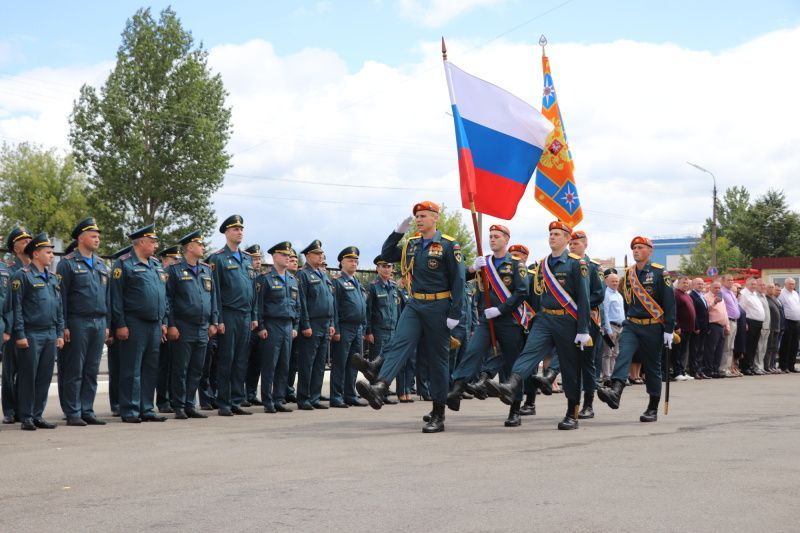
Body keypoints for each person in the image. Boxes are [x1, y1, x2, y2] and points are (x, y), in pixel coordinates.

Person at [355, 201, 465, 433]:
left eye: (424, 215)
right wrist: (398, 233)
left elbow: (459, 280)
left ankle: (438, 413)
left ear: (435, 218)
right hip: (415, 304)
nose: (419, 220)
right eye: (417, 216)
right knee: (399, 342)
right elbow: (386, 254)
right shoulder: (412, 244)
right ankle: (380, 387)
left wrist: (455, 312)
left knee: (438, 361)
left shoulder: (448, 245)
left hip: (439, 305)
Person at [484, 220, 590, 430]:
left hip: (568, 320)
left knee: (569, 368)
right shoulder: (542, 264)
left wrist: (583, 329)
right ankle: (511, 384)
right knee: (529, 353)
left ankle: (572, 413)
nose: (552, 237)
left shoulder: (577, 264)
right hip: (545, 318)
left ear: (567, 239)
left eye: (557, 234)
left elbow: (584, 298)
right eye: (551, 234)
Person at [447, 224, 530, 427]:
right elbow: (459, 277)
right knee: (473, 351)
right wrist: (472, 268)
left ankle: (515, 409)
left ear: (506, 239)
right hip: (487, 320)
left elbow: (522, 291)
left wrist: (501, 309)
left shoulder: (516, 263)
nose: (492, 239)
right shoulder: (484, 262)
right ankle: (456, 390)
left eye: (496, 236)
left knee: (511, 364)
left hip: (509, 320)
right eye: (490, 236)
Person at [596, 236, 675, 423]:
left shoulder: (660, 273)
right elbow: (626, 300)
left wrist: (669, 329)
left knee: (652, 367)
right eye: (634, 248)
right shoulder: (629, 274)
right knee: (623, 354)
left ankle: (652, 407)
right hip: (632, 324)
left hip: (653, 325)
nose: (636, 251)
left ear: (650, 251)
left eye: (640, 247)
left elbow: (670, 303)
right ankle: (616, 391)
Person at [110, 224, 168, 423]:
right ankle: (130, 410)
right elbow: (116, 297)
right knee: (131, 369)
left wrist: (163, 321)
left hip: (154, 324)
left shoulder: (156, 264)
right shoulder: (124, 264)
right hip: (134, 323)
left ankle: (146, 408)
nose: (156, 245)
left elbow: (163, 295)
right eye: (152, 241)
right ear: (141, 242)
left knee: (150, 368)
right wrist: (120, 324)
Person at [56, 217, 110, 426]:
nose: (97, 239)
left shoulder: (101, 264)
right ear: (81, 238)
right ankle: (73, 411)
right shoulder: (67, 263)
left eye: (98, 236)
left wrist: (107, 324)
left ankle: (87, 409)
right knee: (74, 369)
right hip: (77, 321)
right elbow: (61, 297)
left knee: (91, 369)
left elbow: (107, 297)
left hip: (99, 321)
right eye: (93, 236)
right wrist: (64, 325)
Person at [10, 233, 64, 430]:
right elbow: (16, 308)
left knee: (44, 377)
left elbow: (59, 307)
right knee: (28, 377)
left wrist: (59, 333)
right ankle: (26, 417)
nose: (52, 255)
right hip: (31, 334)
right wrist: (20, 334)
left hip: (50, 333)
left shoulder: (52, 278)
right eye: (48, 252)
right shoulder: (22, 276)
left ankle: (37, 415)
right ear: (36, 254)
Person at [165, 230, 219, 419]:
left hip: (203, 327)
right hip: (183, 326)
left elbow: (213, 298)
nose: (203, 247)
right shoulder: (174, 270)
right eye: (199, 244)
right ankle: (179, 405)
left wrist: (214, 321)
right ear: (189, 247)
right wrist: (171, 324)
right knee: (181, 369)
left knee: (197, 369)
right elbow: (168, 300)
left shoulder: (206, 270)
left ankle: (190, 404)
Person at [208, 214, 257, 416]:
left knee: (241, 360)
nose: (240, 232)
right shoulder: (218, 258)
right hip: (228, 314)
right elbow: (215, 292)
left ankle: (237, 400)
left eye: (241, 229)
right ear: (226, 232)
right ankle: (224, 402)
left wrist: (254, 315)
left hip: (245, 315)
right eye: (235, 229)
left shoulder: (247, 258)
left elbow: (252, 289)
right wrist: (218, 318)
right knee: (226, 359)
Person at [255, 241, 299, 413]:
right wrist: (261, 327)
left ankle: (279, 399)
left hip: (288, 325)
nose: (288, 258)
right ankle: (268, 401)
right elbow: (258, 305)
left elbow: (297, 306)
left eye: (289, 255)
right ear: (274, 257)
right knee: (270, 365)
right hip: (272, 325)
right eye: (284, 255)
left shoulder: (292, 280)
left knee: (284, 365)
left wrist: (295, 325)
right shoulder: (265, 278)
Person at [566, 230, 606, 419]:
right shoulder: (566, 264)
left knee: (587, 363)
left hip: (589, 319)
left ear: (585, 245)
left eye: (576, 244)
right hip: (569, 319)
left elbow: (599, 293)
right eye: (570, 244)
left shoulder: (594, 267)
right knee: (570, 361)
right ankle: (572, 403)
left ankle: (588, 404)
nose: (572, 247)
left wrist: (581, 304)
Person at [295, 239, 336, 410]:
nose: (321, 256)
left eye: (322, 254)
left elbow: (330, 300)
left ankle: (314, 397)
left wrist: (332, 322)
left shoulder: (323, 274)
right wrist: (305, 325)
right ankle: (303, 398)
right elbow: (302, 302)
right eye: (317, 254)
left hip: (325, 323)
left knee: (320, 364)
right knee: (307, 363)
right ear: (308, 256)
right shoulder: (303, 274)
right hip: (312, 323)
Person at [330, 246, 368, 408]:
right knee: (340, 363)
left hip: (357, 327)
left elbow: (362, 307)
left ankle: (350, 394)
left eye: (356, 261)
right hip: (344, 327)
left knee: (354, 363)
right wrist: (336, 329)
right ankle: (336, 396)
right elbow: (334, 307)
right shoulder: (337, 282)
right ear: (342, 263)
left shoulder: (357, 282)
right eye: (350, 260)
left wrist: (363, 328)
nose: (354, 263)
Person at [2, 225, 32, 424]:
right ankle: (10, 410)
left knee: (26, 371)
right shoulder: (9, 270)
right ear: (15, 248)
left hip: (31, 326)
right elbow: (8, 303)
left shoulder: (36, 269)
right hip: (13, 328)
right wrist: (8, 328)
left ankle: (24, 408)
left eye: (29, 240)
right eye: (23, 241)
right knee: (10, 371)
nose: (28, 243)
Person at [155, 244, 182, 413]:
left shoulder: (175, 274)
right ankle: (163, 400)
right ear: (165, 260)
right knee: (164, 366)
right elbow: (164, 302)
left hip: (179, 324)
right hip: (166, 324)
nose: (176, 262)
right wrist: (165, 323)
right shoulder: (162, 275)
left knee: (176, 366)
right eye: (173, 259)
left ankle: (174, 398)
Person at [106, 245, 131, 416]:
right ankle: (116, 403)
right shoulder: (115, 276)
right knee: (116, 369)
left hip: (128, 326)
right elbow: (111, 304)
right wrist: (110, 330)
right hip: (116, 329)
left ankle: (126, 401)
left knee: (127, 369)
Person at [244, 243, 264, 406]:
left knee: (256, 362)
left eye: (259, 258)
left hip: (260, 325)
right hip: (248, 324)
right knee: (243, 361)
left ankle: (251, 393)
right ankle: (240, 394)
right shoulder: (246, 276)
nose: (258, 261)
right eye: (254, 258)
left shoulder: (262, 278)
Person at [738, 277, 764, 375]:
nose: (754, 286)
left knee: (753, 346)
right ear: (746, 284)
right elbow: (741, 309)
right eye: (751, 284)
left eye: (755, 284)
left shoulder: (754, 294)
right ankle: (745, 367)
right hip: (749, 322)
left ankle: (750, 365)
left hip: (758, 322)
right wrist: (744, 323)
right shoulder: (744, 294)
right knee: (748, 346)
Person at [672, 276, 696, 381]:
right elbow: (674, 311)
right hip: (680, 328)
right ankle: (677, 372)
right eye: (683, 283)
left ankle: (682, 371)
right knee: (678, 351)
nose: (685, 284)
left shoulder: (686, 295)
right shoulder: (676, 294)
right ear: (678, 283)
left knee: (683, 352)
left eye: (687, 283)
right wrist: (676, 326)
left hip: (688, 328)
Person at [704, 280, 730, 378]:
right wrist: (714, 302)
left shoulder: (721, 298)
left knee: (719, 350)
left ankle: (716, 369)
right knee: (711, 349)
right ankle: (709, 370)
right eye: (715, 287)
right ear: (710, 287)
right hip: (713, 325)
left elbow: (725, 312)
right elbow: (706, 310)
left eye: (719, 288)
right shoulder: (706, 297)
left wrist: (727, 326)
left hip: (721, 326)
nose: (717, 289)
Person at [602, 272, 624, 381]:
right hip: (611, 327)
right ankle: (607, 377)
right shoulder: (606, 294)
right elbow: (605, 313)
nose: (615, 283)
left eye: (616, 281)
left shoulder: (618, 294)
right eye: (613, 281)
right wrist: (608, 329)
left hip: (620, 327)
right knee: (607, 354)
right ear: (607, 282)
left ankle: (614, 375)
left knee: (616, 353)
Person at [719, 274, 741, 377]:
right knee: (726, 347)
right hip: (728, 321)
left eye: (732, 280)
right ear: (723, 281)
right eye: (728, 280)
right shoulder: (721, 292)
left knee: (731, 347)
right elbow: (721, 308)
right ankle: (723, 369)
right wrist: (725, 323)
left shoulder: (731, 292)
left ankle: (728, 368)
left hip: (735, 321)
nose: (731, 281)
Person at [689, 278, 710, 379]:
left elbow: (705, 312)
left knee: (701, 350)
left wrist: (708, 326)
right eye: (698, 284)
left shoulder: (701, 295)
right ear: (693, 285)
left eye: (702, 284)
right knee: (695, 350)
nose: (701, 286)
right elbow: (693, 313)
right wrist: (696, 326)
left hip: (704, 327)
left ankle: (700, 370)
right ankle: (694, 371)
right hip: (697, 328)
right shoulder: (692, 296)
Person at [777, 278, 799, 372]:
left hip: (796, 321)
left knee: (794, 345)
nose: (791, 285)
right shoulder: (782, 293)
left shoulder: (795, 293)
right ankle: (783, 366)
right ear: (785, 284)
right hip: (787, 321)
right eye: (790, 284)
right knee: (786, 344)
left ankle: (791, 366)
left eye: (793, 284)